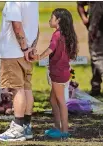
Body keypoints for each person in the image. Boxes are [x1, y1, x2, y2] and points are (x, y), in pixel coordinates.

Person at [0, 2, 39, 142]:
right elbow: (36, 28)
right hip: (26, 51)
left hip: (13, 52)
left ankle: (18, 128)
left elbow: (17, 26)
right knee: (26, 88)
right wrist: (31, 48)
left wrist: (25, 48)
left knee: (16, 89)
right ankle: (26, 126)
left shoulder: (13, 3)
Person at [34, 8, 78, 139]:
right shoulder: (66, 34)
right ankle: (57, 127)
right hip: (63, 71)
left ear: (58, 20)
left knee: (60, 102)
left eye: (51, 18)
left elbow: (50, 49)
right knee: (53, 100)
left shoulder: (57, 35)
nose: (49, 20)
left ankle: (64, 130)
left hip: (58, 73)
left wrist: (39, 57)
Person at [77, 2, 103, 96]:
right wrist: (85, 19)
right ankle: (95, 87)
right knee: (95, 55)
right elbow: (80, 4)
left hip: (95, 27)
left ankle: (95, 87)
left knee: (96, 56)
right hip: (95, 27)